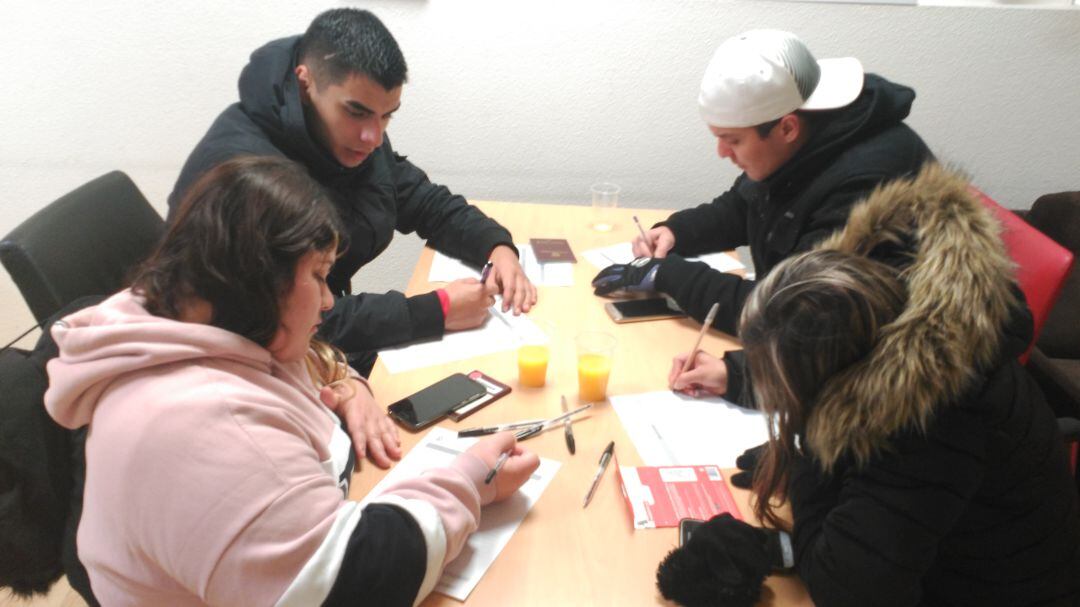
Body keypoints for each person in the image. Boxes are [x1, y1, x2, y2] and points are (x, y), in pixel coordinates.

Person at [44, 156, 540, 606]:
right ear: (260, 283)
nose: (328, 301)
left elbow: (313, 357)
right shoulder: (208, 428)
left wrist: (348, 381)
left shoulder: (197, 315)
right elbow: (360, 581)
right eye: (319, 276)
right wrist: (469, 480)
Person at [654, 165, 1080, 607]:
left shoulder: (924, 420)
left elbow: (845, 592)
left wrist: (807, 456)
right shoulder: (893, 336)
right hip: (942, 556)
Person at [169, 8, 537, 376]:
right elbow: (284, 320)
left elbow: (423, 201)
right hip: (249, 367)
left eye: (387, 115)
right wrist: (435, 311)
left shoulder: (351, 138)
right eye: (356, 112)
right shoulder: (245, 178)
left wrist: (496, 247)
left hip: (321, 345)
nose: (373, 137)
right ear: (305, 84)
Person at [592, 29, 932, 401]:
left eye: (733, 140)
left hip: (893, 393)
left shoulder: (865, 187)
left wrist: (671, 277)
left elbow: (795, 319)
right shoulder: (810, 135)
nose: (722, 152)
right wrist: (677, 231)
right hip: (820, 345)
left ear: (787, 127)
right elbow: (743, 205)